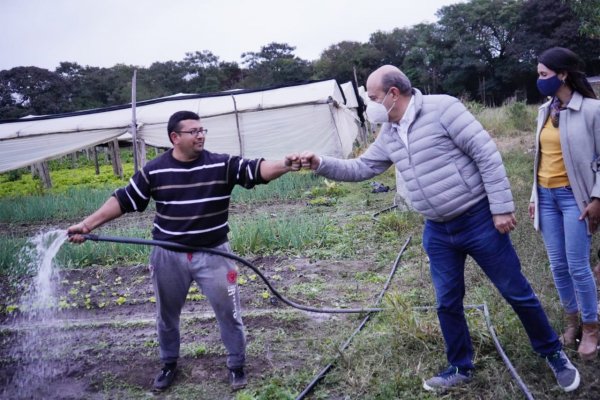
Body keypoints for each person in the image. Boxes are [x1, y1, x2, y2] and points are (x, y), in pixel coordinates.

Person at [299, 65, 580, 392]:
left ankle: (553, 353)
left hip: (477, 219)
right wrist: (320, 163)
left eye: (373, 97)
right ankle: (460, 366)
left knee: (515, 290)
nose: (369, 104)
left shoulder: (443, 108)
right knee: (447, 301)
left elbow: (485, 153)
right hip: (438, 230)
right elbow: (363, 166)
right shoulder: (389, 132)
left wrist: (501, 207)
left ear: (393, 93)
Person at [68, 111, 301, 392]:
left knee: (229, 311)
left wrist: (286, 165)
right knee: (167, 315)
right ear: (174, 138)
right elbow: (124, 200)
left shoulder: (222, 164)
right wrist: (87, 225)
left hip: (215, 255)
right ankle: (168, 364)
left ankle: (236, 364)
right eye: (193, 131)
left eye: (202, 130)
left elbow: (256, 170)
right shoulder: (154, 171)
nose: (200, 135)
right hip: (168, 256)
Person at [528, 47, 600, 360]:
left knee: (578, 266)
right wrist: (534, 196)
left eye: (544, 74)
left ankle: (591, 326)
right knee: (558, 266)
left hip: (575, 198)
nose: (539, 80)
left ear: (563, 74)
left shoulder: (593, 110)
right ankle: (572, 320)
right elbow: (540, 158)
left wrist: (598, 197)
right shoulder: (545, 111)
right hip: (546, 197)